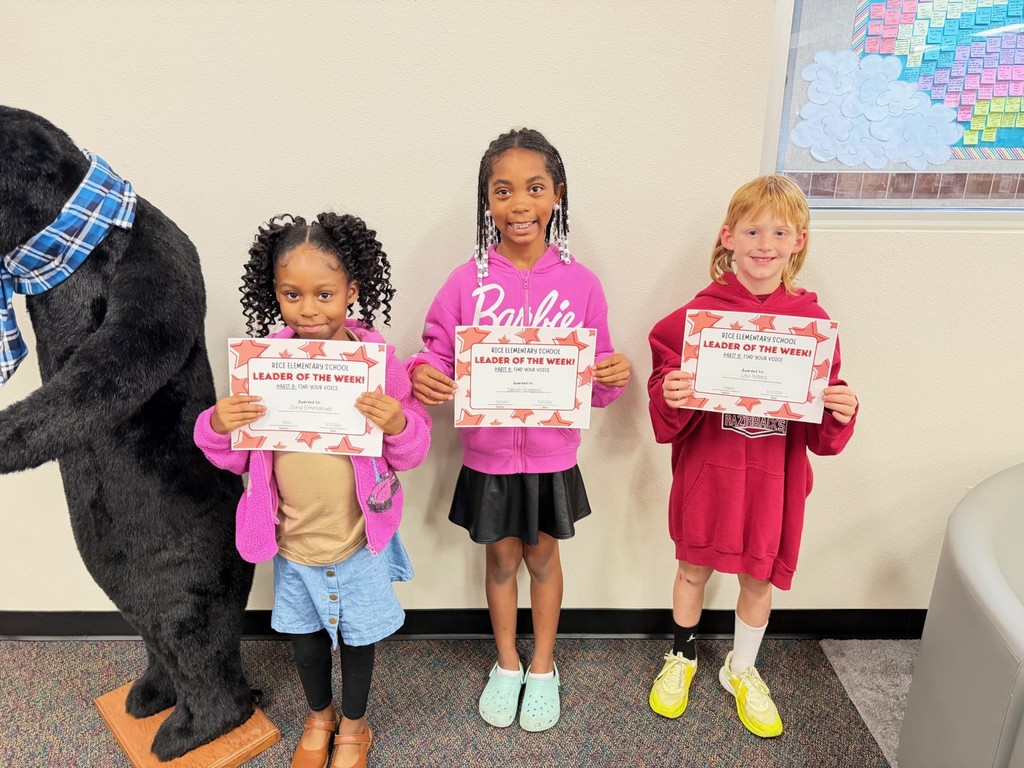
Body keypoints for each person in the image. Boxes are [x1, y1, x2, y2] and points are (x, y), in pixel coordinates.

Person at [407, 128, 631, 732]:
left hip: (553, 456)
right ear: (487, 203)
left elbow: (598, 377)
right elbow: (434, 353)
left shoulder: (581, 283)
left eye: (534, 188)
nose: (519, 204)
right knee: (501, 559)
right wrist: (423, 374)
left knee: (544, 559)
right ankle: (506, 664)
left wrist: (612, 375)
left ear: (557, 195)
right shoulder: (464, 282)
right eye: (502, 191)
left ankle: (543, 666)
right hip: (489, 458)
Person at [194, 212, 430, 768]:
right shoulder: (262, 364)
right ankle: (319, 715)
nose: (308, 308)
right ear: (273, 294)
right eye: (291, 294)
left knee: (358, 638)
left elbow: (412, 452)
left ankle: (354, 725)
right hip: (292, 540)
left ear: (352, 291)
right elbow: (231, 457)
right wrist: (217, 424)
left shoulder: (380, 364)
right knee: (304, 639)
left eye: (325, 293)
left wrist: (397, 422)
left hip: (359, 538)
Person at [646, 174, 858, 738]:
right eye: (752, 230)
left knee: (758, 579)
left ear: (799, 242)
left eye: (779, 232)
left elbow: (822, 432)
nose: (765, 243)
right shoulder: (695, 319)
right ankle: (683, 656)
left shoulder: (813, 326)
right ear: (728, 238)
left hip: (774, 479)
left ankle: (741, 669)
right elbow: (666, 398)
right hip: (709, 473)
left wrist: (841, 408)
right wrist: (669, 393)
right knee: (692, 568)